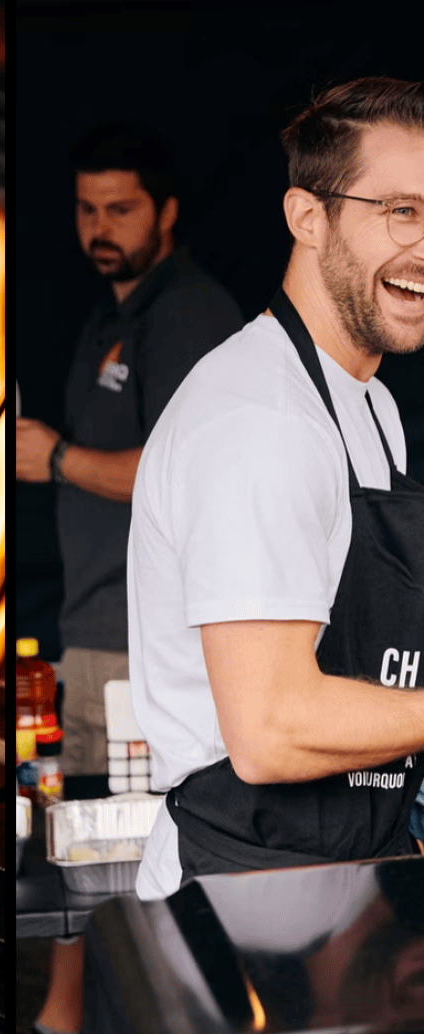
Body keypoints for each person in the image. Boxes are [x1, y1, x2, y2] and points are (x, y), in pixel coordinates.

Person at [129, 77, 424, 901]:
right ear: (307, 216)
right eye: (400, 211)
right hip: (240, 897)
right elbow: (269, 730)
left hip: (349, 885)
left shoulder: (372, 404)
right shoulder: (257, 419)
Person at [13, 123, 241, 1034]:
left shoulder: (186, 311)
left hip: (148, 649)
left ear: (169, 212)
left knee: (133, 860)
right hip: (96, 635)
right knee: (89, 845)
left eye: (121, 208)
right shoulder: (109, 317)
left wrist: (53, 456)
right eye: (85, 208)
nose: (100, 227)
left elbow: (191, 472)